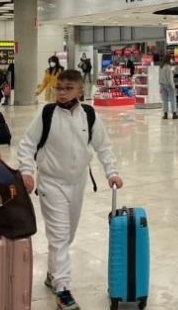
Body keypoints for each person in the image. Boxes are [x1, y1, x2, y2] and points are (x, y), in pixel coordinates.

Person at [17, 69, 123, 310]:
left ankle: (53, 272)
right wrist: (26, 170)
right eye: (58, 87)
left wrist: (112, 172)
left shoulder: (89, 114)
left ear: (80, 90)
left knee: (69, 235)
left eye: (68, 88)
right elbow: (27, 144)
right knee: (59, 235)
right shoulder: (47, 114)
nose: (62, 93)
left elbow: (103, 147)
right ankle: (63, 289)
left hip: (77, 184)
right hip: (51, 184)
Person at [158, 54, 178, 120]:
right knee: (173, 99)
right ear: (169, 59)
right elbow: (170, 79)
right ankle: (174, 114)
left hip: (162, 84)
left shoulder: (161, 66)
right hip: (168, 85)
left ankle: (165, 114)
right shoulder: (168, 67)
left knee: (165, 100)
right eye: (171, 59)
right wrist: (173, 87)